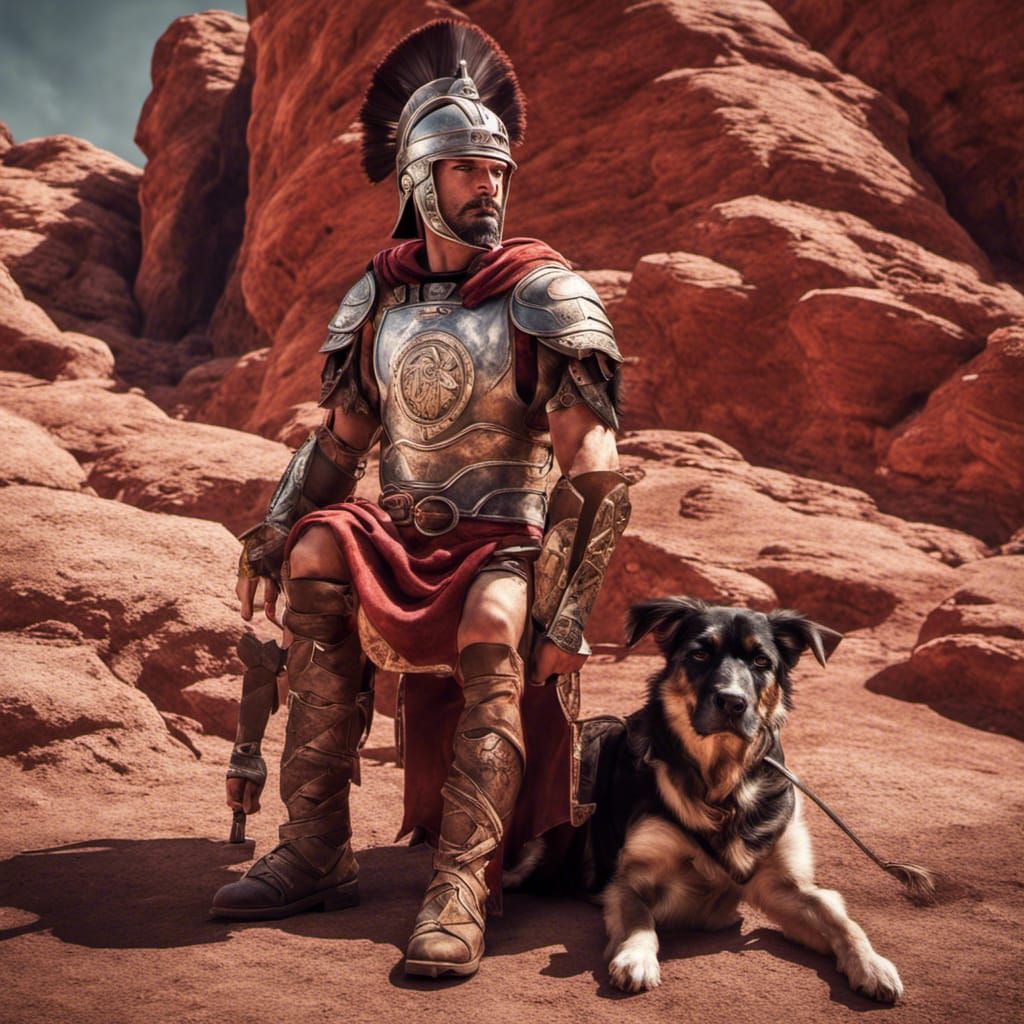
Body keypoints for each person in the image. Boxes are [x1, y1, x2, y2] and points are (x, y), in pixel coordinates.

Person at [210, 19, 630, 979]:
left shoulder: (544, 293)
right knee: (317, 549)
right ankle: (315, 846)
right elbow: (339, 444)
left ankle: (461, 883)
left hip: (505, 539)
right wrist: (273, 527)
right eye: (468, 169)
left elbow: (593, 465)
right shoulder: (379, 302)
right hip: (402, 531)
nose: (490, 186)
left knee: (491, 621)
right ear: (418, 181)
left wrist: (569, 611)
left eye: (498, 170)